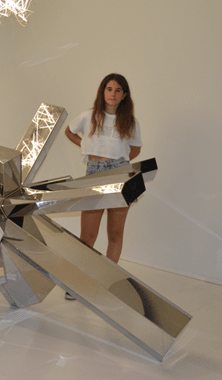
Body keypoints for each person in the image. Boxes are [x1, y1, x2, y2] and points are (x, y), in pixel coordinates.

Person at [64, 73, 141, 297]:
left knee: (115, 233)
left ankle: (109, 282)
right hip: (94, 173)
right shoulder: (88, 116)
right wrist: (87, 148)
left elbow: (136, 149)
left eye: (118, 90)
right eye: (109, 89)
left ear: (124, 95)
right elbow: (69, 131)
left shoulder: (131, 122)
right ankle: (78, 283)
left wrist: (118, 163)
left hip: (121, 174)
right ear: (102, 91)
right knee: (87, 234)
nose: (113, 94)